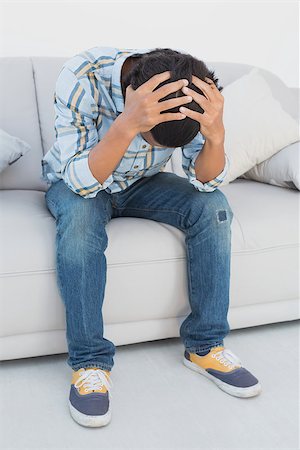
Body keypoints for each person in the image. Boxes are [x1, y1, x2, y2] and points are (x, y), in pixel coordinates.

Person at [41, 46, 262, 428]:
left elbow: (205, 181)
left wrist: (216, 135)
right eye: (149, 140)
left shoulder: (189, 91)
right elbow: (80, 180)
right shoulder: (82, 76)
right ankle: (89, 364)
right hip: (79, 183)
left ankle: (205, 346)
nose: (149, 148)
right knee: (79, 226)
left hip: (141, 184)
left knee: (214, 207)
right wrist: (127, 125)